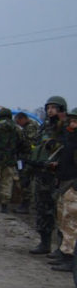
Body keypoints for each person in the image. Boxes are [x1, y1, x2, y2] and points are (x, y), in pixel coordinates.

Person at [29, 96, 68, 254]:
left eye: (54, 107)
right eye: (48, 107)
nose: (50, 110)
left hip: (57, 175)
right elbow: (36, 147)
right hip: (41, 172)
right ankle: (44, 242)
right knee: (41, 208)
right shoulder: (44, 127)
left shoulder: (65, 127)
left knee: (59, 212)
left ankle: (63, 247)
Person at [49, 108, 77, 273]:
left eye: (75, 121)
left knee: (71, 222)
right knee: (64, 219)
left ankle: (70, 257)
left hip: (73, 185)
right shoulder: (70, 138)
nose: (72, 124)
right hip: (66, 183)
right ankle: (64, 251)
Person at [14, 111, 39, 214]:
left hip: (28, 158)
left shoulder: (31, 127)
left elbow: (29, 143)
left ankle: (26, 204)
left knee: (25, 181)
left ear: (22, 119)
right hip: (29, 158)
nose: (18, 124)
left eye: (18, 122)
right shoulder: (32, 125)